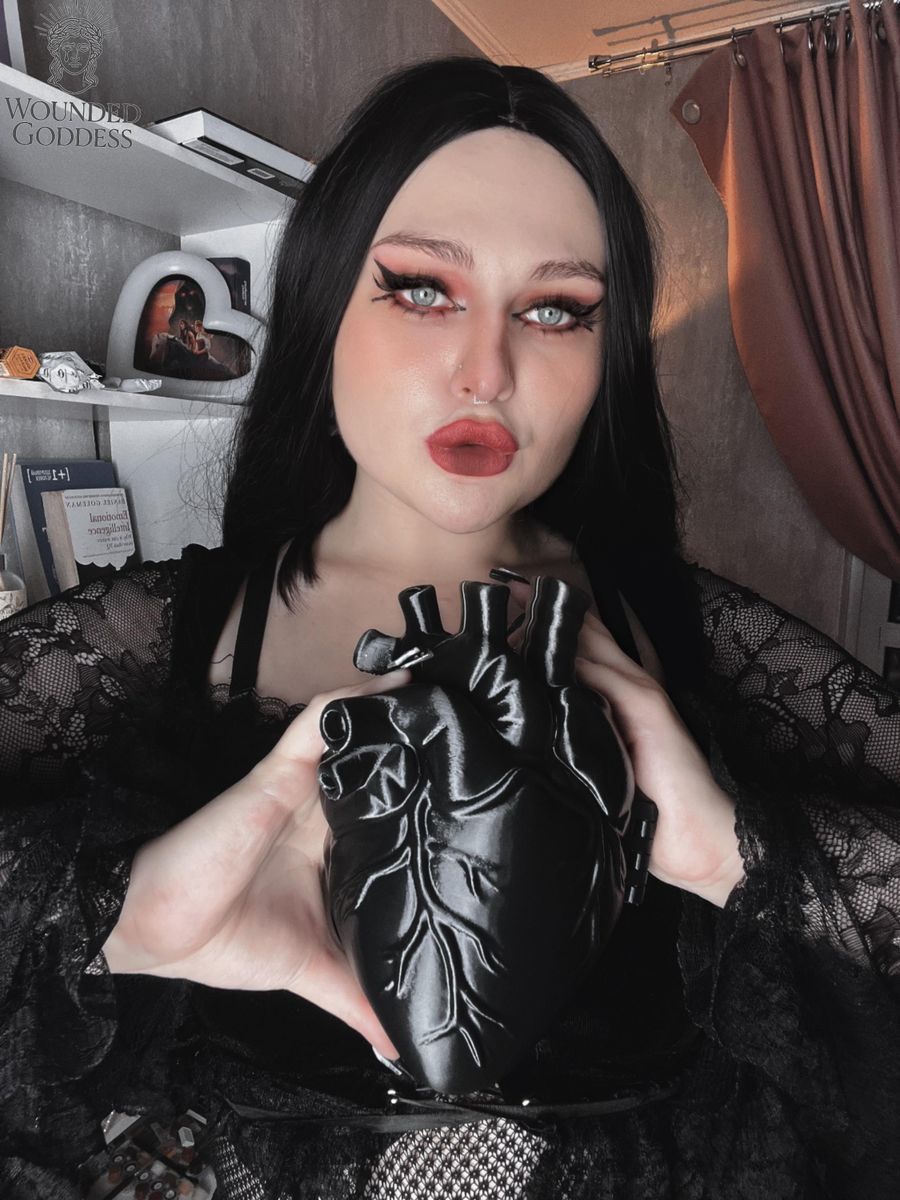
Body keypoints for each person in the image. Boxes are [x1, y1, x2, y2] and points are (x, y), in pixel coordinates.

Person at [1, 54, 899, 1200]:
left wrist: (729, 851)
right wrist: (115, 916)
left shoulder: (674, 626)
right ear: (324, 303)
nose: (488, 372)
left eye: (556, 309)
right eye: (425, 289)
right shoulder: (160, 631)